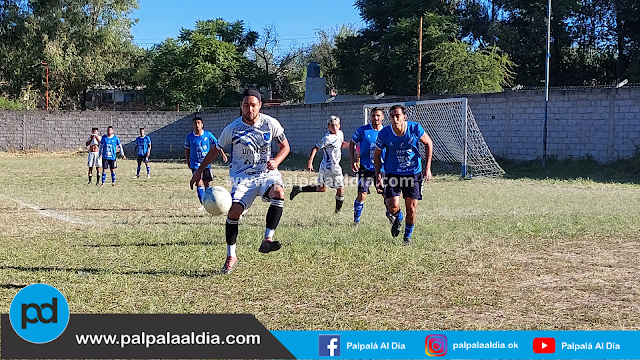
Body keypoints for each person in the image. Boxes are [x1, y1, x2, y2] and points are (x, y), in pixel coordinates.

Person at [190, 89, 290, 275]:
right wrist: (199, 171)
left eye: (253, 105)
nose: (250, 109)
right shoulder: (232, 128)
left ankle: (267, 240)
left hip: (266, 175)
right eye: (246, 105)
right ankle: (231, 256)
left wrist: (276, 161)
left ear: (260, 105)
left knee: (278, 192)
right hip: (243, 179)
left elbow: (285, 147)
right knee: (234, 212)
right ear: (241, 106)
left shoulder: (270, 124)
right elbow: (215, 149)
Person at [374, 104, 433, 246]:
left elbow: (428, 143)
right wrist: (378, 175)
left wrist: (428, 167)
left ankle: (407, 238)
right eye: (392, 116)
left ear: (404, 117)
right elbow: (377, 155)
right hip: (393, 173)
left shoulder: (414, 128)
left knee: (411, 208)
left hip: (413, 173)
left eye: (397, 116)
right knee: (392, 205)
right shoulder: (384, 134)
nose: (395, 119)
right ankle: (398, 217)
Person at [290, 116, 349, 213]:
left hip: (329, 166)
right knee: (341, 189)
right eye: (332, 126)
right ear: (328, 126)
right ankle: (337, 212)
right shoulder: (327, 138)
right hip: (330, 168)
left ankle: (298, 189)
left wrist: (352, 144)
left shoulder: (340, 134)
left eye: (336, 125)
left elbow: (341, 144)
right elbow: (315, 148)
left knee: (321, 188)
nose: (334, 128)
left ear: (339, 126)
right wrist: (310, 162)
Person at [349, 107, 386, 224]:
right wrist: (353, 160)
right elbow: (351, 144)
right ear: (370, 116)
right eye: (373, 115)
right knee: (362, 194)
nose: (375, 118)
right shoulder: (363, 130)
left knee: (386, 195)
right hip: (365, 168)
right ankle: (356, 220)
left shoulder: (387, 132)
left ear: (383, 117)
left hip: (382, 169)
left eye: (378, 116)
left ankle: (391, 215)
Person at [184, 117, 228, 210]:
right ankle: (203, 203)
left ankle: (210, 202)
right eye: (195, 123)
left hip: (206, 163)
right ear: (193, 125)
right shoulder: (189, 137)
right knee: (199, 183)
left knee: (207, 184)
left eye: (199, 123)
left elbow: (217, 145)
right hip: (195, 164)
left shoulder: (208, 135)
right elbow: (187, 149)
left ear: (202, 125)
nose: (197, 125)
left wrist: (223, 154)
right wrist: (188, 161)